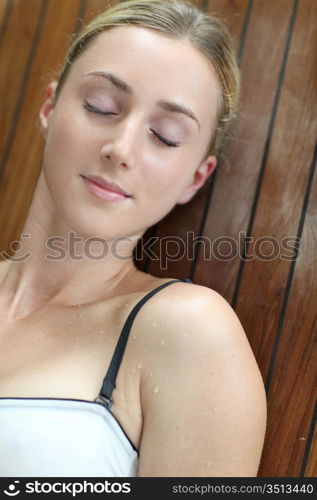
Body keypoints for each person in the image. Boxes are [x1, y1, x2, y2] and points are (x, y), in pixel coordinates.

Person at [0, 0, 267, 477]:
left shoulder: (188, 332)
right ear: (49, 106)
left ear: (196, 178)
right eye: (100, 105)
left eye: (164, 136)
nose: (121, 149)